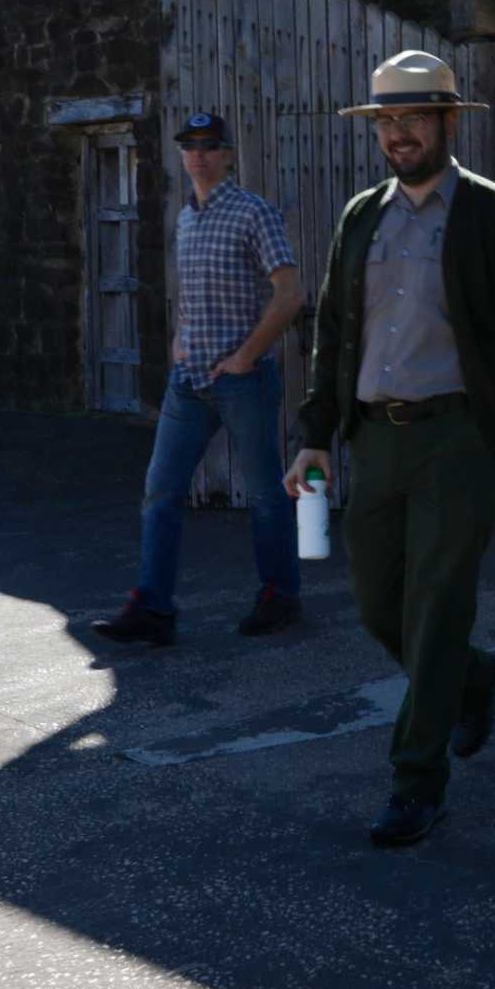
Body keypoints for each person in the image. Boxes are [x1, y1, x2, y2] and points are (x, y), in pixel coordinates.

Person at [283, 49, 495, 849]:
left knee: (438, 605)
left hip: (460, 438)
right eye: (386, 120)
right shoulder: (360, 216)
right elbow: (335, 335)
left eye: (414, 117)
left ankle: (416, 781)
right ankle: (476, 678)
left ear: (449, 120)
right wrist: (314, 437)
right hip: (376, 441)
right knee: (384, 607)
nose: (399, 133)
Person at [93, 111, 306, 647]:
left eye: (210, 145)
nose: (199, 154)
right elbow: (192, 296)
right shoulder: (185, 218)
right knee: (160, 492)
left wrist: (245, 356)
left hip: (243, 381)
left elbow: (289, 295)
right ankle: (154, 608)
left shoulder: (253, 212)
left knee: (263, 495)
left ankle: (280, 595)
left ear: (229, 154)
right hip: (188, 382)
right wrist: (179, 342)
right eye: (189, 145)